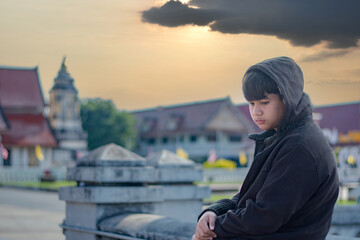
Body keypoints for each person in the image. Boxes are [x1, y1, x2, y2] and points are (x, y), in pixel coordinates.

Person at [193, 57, 339, 240]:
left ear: (287, 98)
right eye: (252, 103)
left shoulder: (299, 146)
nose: (256, 112)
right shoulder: (284, 136)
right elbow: (255, 196)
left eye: (264, 102)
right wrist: (215, 212)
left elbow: (265, 215)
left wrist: (213, 231)